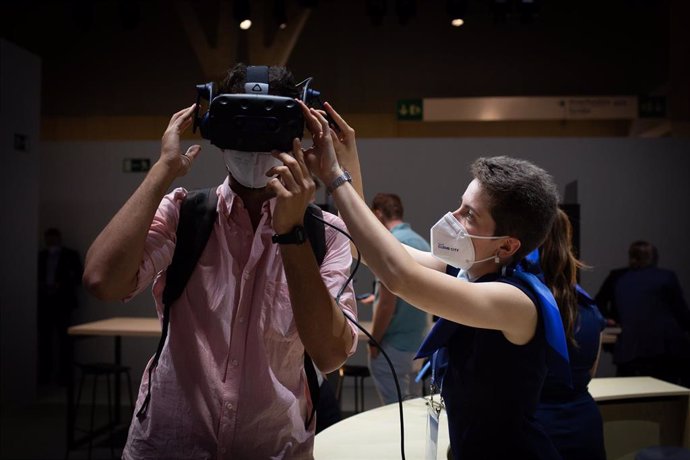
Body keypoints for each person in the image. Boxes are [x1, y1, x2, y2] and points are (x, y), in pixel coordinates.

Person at [82, 64, 358, 459]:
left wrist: (292, 233)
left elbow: (330, 355)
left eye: (268, 126)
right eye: (239, 123)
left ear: (299, 129)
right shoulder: (184, 214)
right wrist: (162, 171)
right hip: (168, 444)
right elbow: (102, 280)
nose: (252, 143)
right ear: (213, 126)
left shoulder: (326, 233)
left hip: (274, 447)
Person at [298, 102, 567, 459]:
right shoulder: (466, 273)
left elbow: (400, 278)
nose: (453, 217)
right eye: (460, 204)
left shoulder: (516, 302)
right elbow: (365, 246)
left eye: (469, 215)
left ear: (507, 244)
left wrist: (336, 178)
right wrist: (349, 161)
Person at [523, 209, 607, 460]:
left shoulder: (523, 305)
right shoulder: (590, 307)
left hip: (537, 429)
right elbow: (589, 372)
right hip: (584, 425)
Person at [367, 192, 430, 404]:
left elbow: (386, 304)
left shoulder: (389, 245)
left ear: (377, 214)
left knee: (395, 412)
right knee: (415, 406)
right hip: (419, 342)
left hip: (394, 345)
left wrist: (374, 341)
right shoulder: (421, 242)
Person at [607, 241, 690, 387]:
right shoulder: (666, 277)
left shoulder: (620, 279)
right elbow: (681, 313)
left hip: (630, 351)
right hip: (664, 350)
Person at [37, 227, 83, 385]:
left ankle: (65, 376)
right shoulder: (41, 256)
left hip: (63, 302)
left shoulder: (70, 255)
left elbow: (79, 277)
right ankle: (45, 374)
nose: (50, 241)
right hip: (44, 302)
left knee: (65, 341)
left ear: (58, 238)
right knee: (44, 341)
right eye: (48, 238)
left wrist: (61, 284)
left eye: (52, 237)